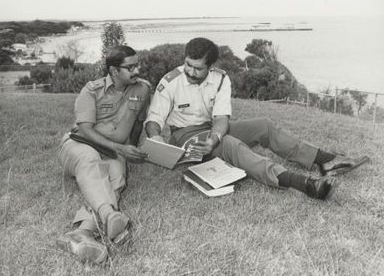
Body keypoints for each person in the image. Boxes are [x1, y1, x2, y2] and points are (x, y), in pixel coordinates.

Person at [145, 37, 369, 201]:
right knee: (231, 145)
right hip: (185, 137)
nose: (190, 72)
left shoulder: (221, 79)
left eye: (198, 68)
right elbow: (154, 118)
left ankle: (325, 161)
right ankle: (303, 184)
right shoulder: (171, 81)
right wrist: (156, 137)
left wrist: (214, 138)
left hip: (211, 130)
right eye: (187, 65)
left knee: (263, 126)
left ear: (211, 66)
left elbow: (221, 118)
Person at [57, 45, 150, 264]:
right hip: (79, 144)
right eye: (131, 67)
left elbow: (138, 124)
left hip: (111, 150)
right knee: (92, 162)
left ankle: (82, 233)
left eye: (138, 64)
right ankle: (109, 216)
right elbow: (86, 129)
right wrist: (119, 149)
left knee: (117, 177)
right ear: (114, 70)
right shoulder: (92, 90)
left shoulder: (143, 89)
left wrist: (129, 152)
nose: (137, 70)